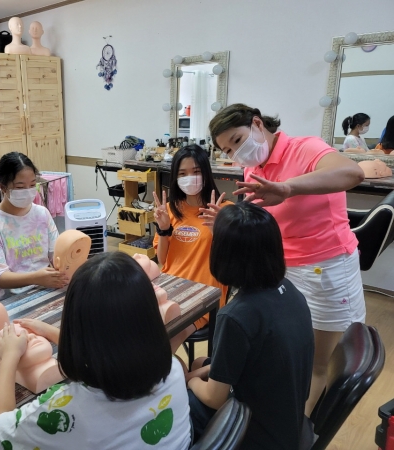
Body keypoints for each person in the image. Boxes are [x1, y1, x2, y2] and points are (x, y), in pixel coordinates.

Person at [209, 103, 365, 416]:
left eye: (237, 141)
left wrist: (288, 188)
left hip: (326, 267)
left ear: (257, 124)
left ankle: (301, 429)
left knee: (319, 364)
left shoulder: (305, 148)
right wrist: (228, 221)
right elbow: (262, 221)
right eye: (228, 151)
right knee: (293, 349)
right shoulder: (254, 168)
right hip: (282, 271)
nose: (237, 154)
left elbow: (353, 172)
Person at [0, 252, 192, 449]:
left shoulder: (68, 412)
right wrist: (52, 332)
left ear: (73, 324)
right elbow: (112, 344)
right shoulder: (173, 368)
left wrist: (9, 356)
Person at [187, 202, 314, 449]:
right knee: (198, 363)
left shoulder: (236, 316)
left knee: (184, 401)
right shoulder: (290, 291)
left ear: (224, 256)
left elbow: (214, 399)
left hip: (257, 435)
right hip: (288, 421)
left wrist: (189, 382)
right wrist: (197, 373)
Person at [153, 145, 229, 334]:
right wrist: (164, 229)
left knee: (167, 337)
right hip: (169, 286)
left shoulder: (225, 211)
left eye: (196, 172)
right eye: (182, 173)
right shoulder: (169, 210)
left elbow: (233, 263)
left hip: (204, 294)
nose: (190, 178)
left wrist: (218, 232)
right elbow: (162, 260)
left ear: (206, 173)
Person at [0, 152, 67, 300]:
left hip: (47, 286)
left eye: (32, 185)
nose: (28, 191)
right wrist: (36, 278)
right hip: (12, 297)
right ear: (3, 187)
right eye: (20, 187)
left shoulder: (42, 214)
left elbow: (56, 256)